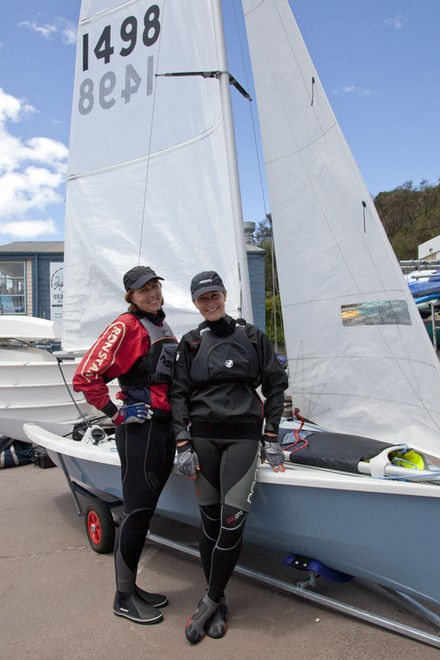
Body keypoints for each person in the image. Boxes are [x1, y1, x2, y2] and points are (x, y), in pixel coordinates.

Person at [169, 270, 288, 644]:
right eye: (203, 298)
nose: (210, 302)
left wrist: (271, 436)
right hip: (203, 439)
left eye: (215, 295)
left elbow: (275, 386)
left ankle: (206, 602)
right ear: (195, 303)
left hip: (242, 439)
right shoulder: (189, 343)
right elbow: (178, 395)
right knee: (208, 523)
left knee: (231, 521)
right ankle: (218, 603)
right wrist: (182, 442)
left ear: (225, 295)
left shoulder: (252, 337)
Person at [72, 265, 177, 625]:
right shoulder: (126, 326)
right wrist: (117, 413)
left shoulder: (161, 324)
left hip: (164, 428)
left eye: (155, 287)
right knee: (136, 511)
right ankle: (122, 596)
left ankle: (132, 588)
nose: (151, 294)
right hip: (141, 431)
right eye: (142, 290)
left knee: (147, 512)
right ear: (130, 296)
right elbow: (86, 376)